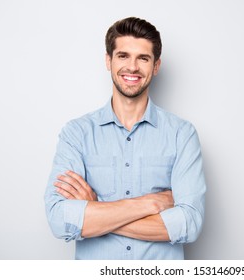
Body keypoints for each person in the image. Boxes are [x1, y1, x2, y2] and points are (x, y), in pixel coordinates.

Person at [44, 17, 206, 260]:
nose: (132, 67)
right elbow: (59, 220)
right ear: (108, 60)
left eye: (143, 58)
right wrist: (150, 204)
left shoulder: (181, 134)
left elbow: (189, 224)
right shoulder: (76, 133)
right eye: (123, 56)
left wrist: (95, 210)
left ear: (156, 66)